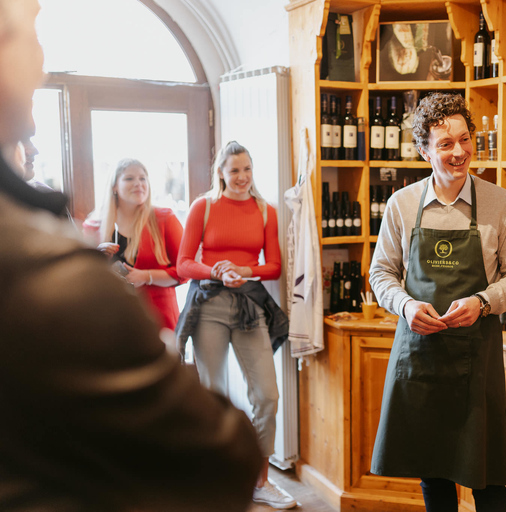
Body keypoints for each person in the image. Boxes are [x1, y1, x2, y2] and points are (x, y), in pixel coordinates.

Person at [0, 1, 262, 511]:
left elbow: (177, 269)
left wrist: (153, 278)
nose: (41, 63)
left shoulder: (164, 220)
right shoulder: (48, 267)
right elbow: (221, 456)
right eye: (29, 35)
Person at [368, 92, 506, 512]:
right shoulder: (402, 205)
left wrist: (483, 300)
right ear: (424, 150)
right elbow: (381, 274)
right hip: (420, 357)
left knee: (488, 478)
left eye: (465, 140)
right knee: (433, 472)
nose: (458, 152)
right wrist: (406, 306)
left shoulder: (500, 203)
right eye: (445, 144)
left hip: (475, 358)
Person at [175, 141, 296, 510]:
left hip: (248, 306)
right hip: (208, 304)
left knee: (267, 396)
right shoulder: (204, 207)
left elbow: (273, 267)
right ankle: (217, 478)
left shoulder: (265, 211)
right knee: (213, 395)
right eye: (234, 171)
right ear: (221, 173)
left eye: (247, 170)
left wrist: (244, 269)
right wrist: (216, 269)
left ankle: (260, 481)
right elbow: (183, 264)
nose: (242, 178)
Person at [83, 158, 184, 331]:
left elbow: (183, 271)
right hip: (110, 320)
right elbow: (83, 278)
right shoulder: (92, 227)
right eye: (129, 178)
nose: (138, 183)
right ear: (114, 186)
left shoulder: (165, 219)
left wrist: (146, 276)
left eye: (143, 178)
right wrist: (96, 258)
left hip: (158, 318)